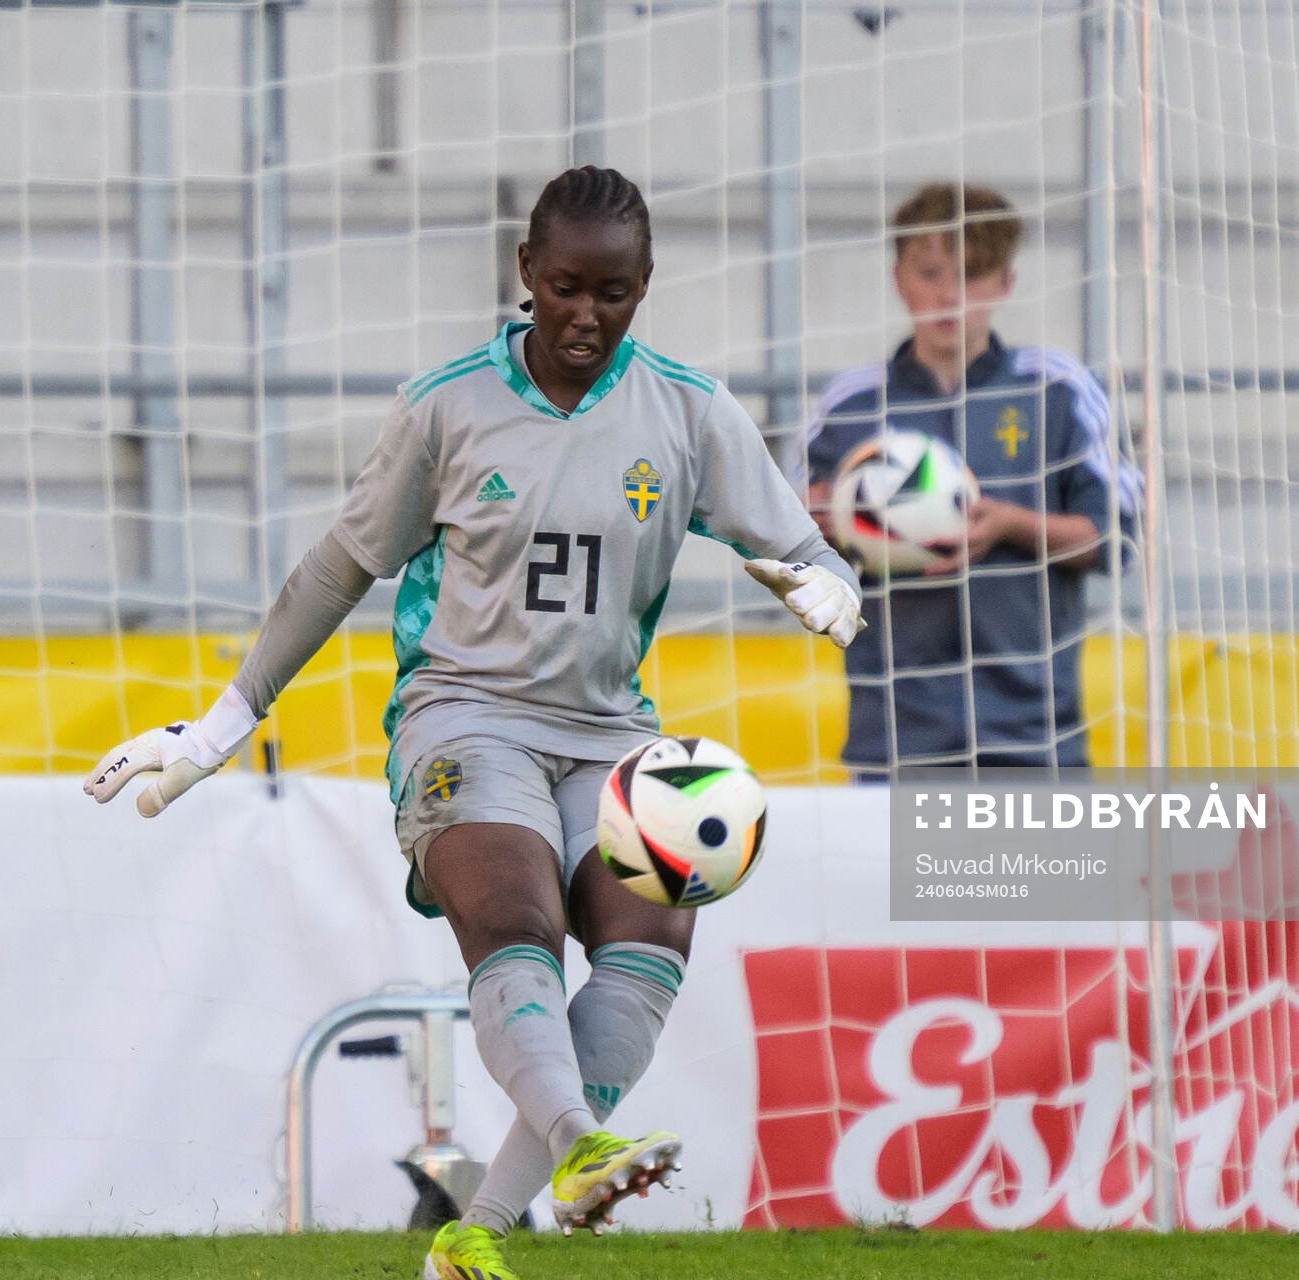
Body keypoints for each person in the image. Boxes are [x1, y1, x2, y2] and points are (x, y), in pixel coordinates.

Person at [83, 167, 862, 1280]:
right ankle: (582, 1144)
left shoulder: (687, 410)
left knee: (654, 937)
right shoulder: (448, 405)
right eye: (565, 288)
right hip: (463, 713)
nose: (587, 315)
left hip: (608, 731)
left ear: (645, 288)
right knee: (519, 916)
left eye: (616, 291)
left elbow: (808, 549)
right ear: (525, 276)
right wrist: (218, 725)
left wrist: (830, 585)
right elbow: (337, 569)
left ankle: (474, 1232)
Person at [805, 182, 1141, 775]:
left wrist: (1011, 525)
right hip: (895, 737)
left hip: (1034, 737)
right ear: (899, 279)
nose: (948, 296)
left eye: (971, 275)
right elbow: (792, 550)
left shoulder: (1057, 390)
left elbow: (1116, 537)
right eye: (930, 273)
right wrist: (829, 526)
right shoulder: (849, 406)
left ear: (1005, 283)